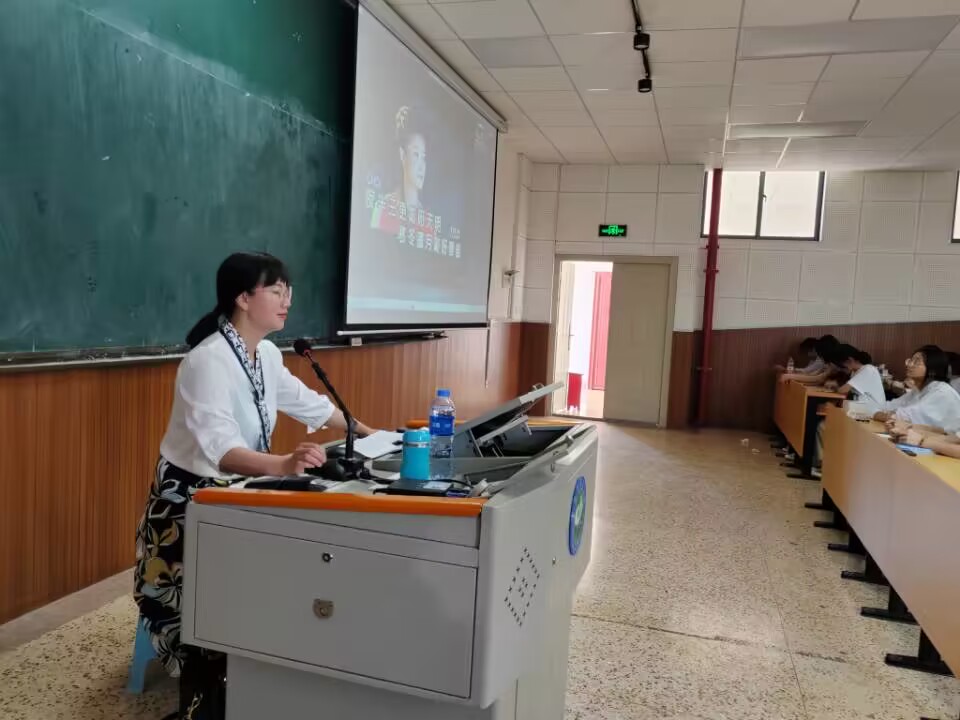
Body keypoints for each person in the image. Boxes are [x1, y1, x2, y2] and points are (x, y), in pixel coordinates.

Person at [134, 252, 375, 718]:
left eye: (289, 291)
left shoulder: (265, 353)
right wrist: (283, 464)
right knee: (216, 601)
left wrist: (368, 432)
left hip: (240, 488)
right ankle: (211, 688)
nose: (288, 301)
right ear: (243, 298)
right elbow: (220, 449)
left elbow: (308, 403)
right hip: (189, 502)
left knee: (275, 572)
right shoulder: (206, 361)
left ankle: (262, 668)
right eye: (277, 291)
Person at [873, 346, 960, 430]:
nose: (910, 365)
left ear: (932, 369)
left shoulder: (941, 392)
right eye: (911, 360)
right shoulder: (918, 390)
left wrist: (882, 414)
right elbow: (887, 407)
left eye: (917, 362)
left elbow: (903, 418)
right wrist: (881, 413)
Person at [823, 345, 885, 413]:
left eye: (841, 365)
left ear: (850, 360)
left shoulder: (868, 369)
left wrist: (835, 386)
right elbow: (847, 390)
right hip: (863, 407)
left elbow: (843, 390)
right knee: (830, 406)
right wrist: (835, 386)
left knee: (832, 408)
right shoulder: (855, 371)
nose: (842, 368)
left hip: (873, 410)